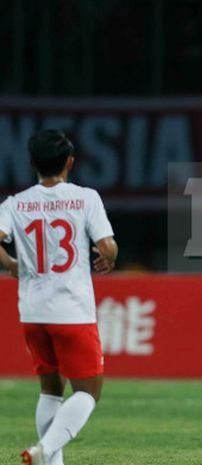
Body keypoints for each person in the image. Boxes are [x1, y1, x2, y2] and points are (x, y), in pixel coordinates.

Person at [0, 130, 118, 465]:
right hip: (72, 310)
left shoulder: (16, 202)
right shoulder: (85, 197)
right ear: (69, 162)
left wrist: (9, 263)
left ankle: (52, 461)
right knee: (88, 391)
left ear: (31, 163)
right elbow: (107, 247)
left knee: (50, 389)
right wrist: (109, 255)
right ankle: (44, 450)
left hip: (33, 311)